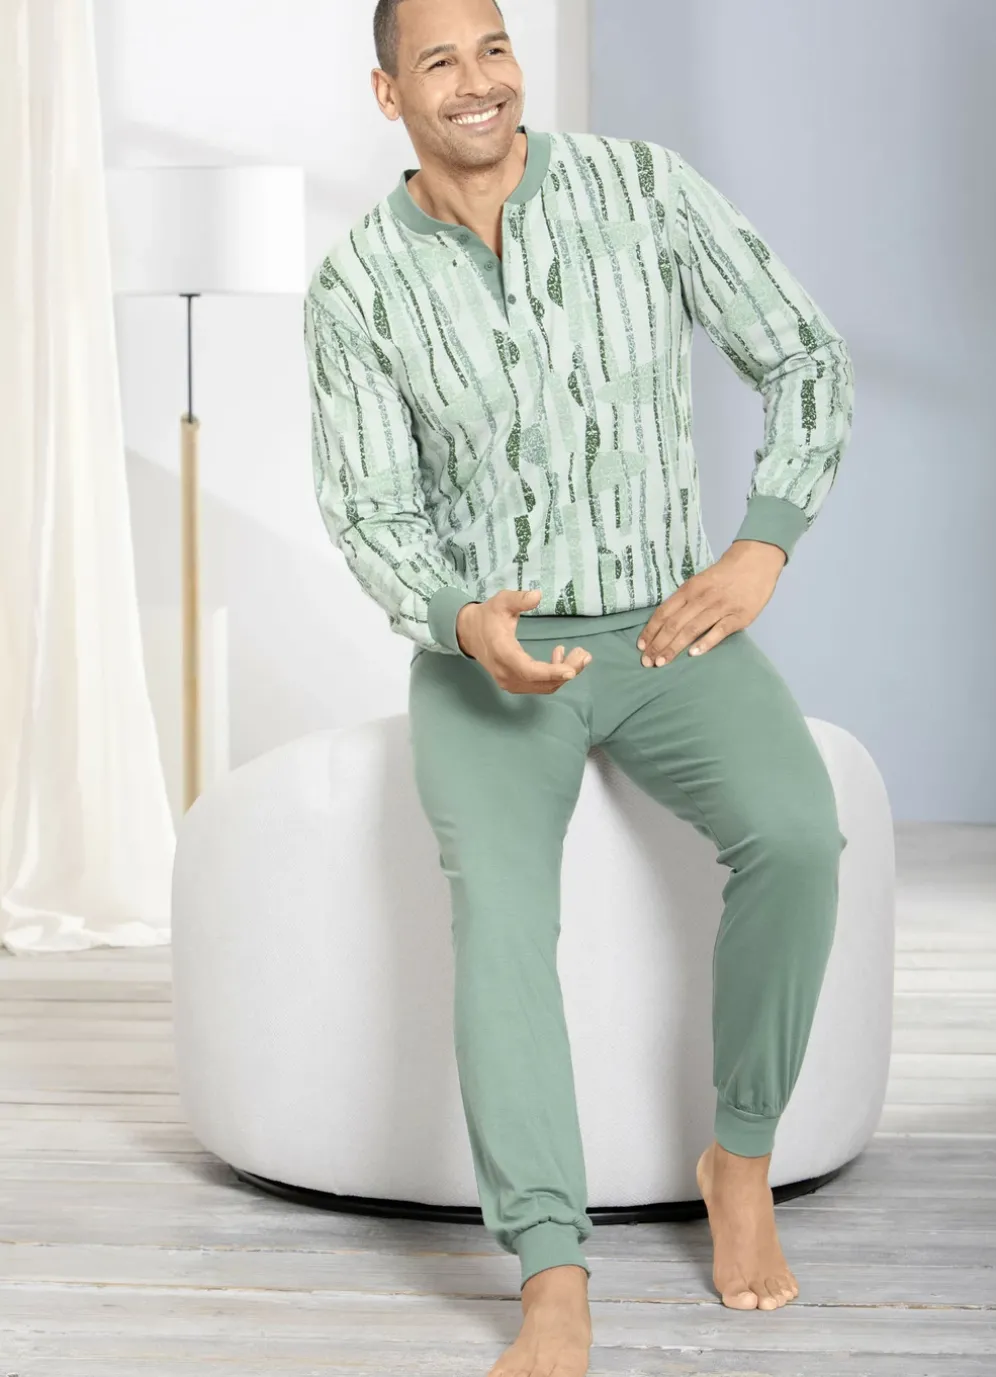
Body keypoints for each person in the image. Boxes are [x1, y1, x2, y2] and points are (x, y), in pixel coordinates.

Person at [303, 1, 855, 1372]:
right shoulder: (358, 284)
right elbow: (370, 510)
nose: (478, 81)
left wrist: (761, 546)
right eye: (439, 60)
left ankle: (739, 1158)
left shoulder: (642, 188)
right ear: (388, 94)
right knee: (501, 917)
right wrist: (461, 618)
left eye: (493, 47)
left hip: (665, 631)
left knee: (798, 833)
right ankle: (551, 1268)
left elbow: (803, 352)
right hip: (488, 660)